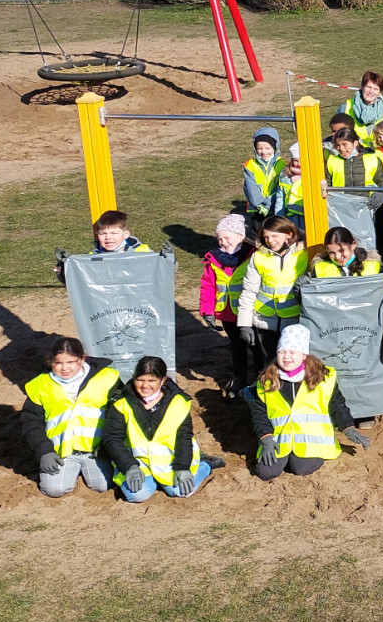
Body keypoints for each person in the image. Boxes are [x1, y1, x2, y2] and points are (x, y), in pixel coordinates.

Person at [246, 324, 370, 480]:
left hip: (310, 441)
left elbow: (337, 405)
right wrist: (266, 438)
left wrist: (348, 427)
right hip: (279, 439)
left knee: (301, 468)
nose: (287, 357)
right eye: (282, 352)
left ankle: (300, 457)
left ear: (304, 355)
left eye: (293, 352)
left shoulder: (323, 378)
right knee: (266, 473)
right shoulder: (268, 380)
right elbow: (259, 413)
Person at [106, 356, 224, 502]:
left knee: (180, 491)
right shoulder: (121, 403)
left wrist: (182, 467)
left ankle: (205, 465)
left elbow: (184, 436)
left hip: (171, 464)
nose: (145, 386)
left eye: (152, 381)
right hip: (139, 464)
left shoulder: (179, 402)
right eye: (140, 380)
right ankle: (152, 482)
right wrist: (129, 467)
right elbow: (112, 438)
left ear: (163, 380)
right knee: (135, 495)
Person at [21, 337, 123, 497]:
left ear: (82, 359)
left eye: (71, 362)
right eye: (58, 363)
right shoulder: (39, 385)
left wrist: (107, 447)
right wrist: (45, 452)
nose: (64, 368)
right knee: (54, 490)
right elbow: (31, 423)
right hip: (60, 451)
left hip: (96, 451)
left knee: (103, 485)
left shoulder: (108, 378)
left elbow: (118, 416)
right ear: (50, 361)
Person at [236, 215, 309, 370]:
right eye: (266, 236)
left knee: (293, 364)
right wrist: (244, 324)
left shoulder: (305, 255)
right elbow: (248, 291)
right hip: (264, 322)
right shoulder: (258, 257)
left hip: (294, 321)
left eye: (275, 236)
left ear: (289, 234)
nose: (270, 240)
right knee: (269, 364)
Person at [199, 214, 253, 390]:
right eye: (219, 238)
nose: (223, 242)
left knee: (257, 348)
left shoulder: (253, 256)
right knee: (237, 347)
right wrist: (207, 311)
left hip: (251, 312)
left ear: (241, 236)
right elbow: (208, 286)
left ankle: (261, 378)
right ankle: (239, 378)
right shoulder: (213, 260)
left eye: (227, 237)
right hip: (227, 313)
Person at [242, 127, 284, 220]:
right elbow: (250, 188)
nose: (264, 152)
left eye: (267, 148)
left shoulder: (283, 165)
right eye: (260, 148)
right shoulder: (250, 165)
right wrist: (259, 204)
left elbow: (282, 187)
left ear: (275, 147)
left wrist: (270, 203)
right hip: (257, 209)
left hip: (276, 207)